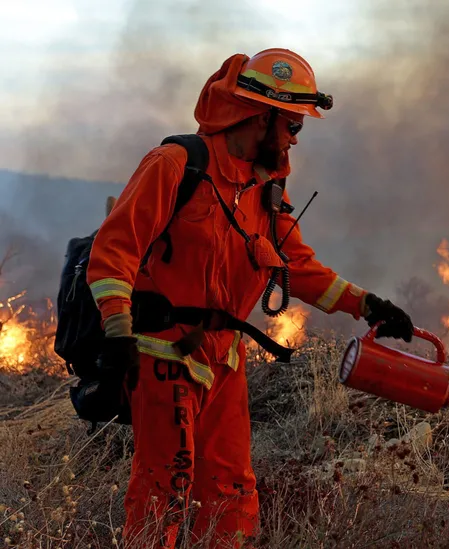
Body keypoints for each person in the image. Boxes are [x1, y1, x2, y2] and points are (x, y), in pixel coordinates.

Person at [86, 48, 415, 548]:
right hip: (164, 356)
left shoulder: (266, 191)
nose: (294, 140)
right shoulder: (175, 166)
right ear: (260, 117)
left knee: (232, 495)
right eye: (292, 126)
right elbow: (114, 253)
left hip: (225, 363)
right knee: (165, 493)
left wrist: (367, 305)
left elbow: (298, 268)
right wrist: (116, 331)